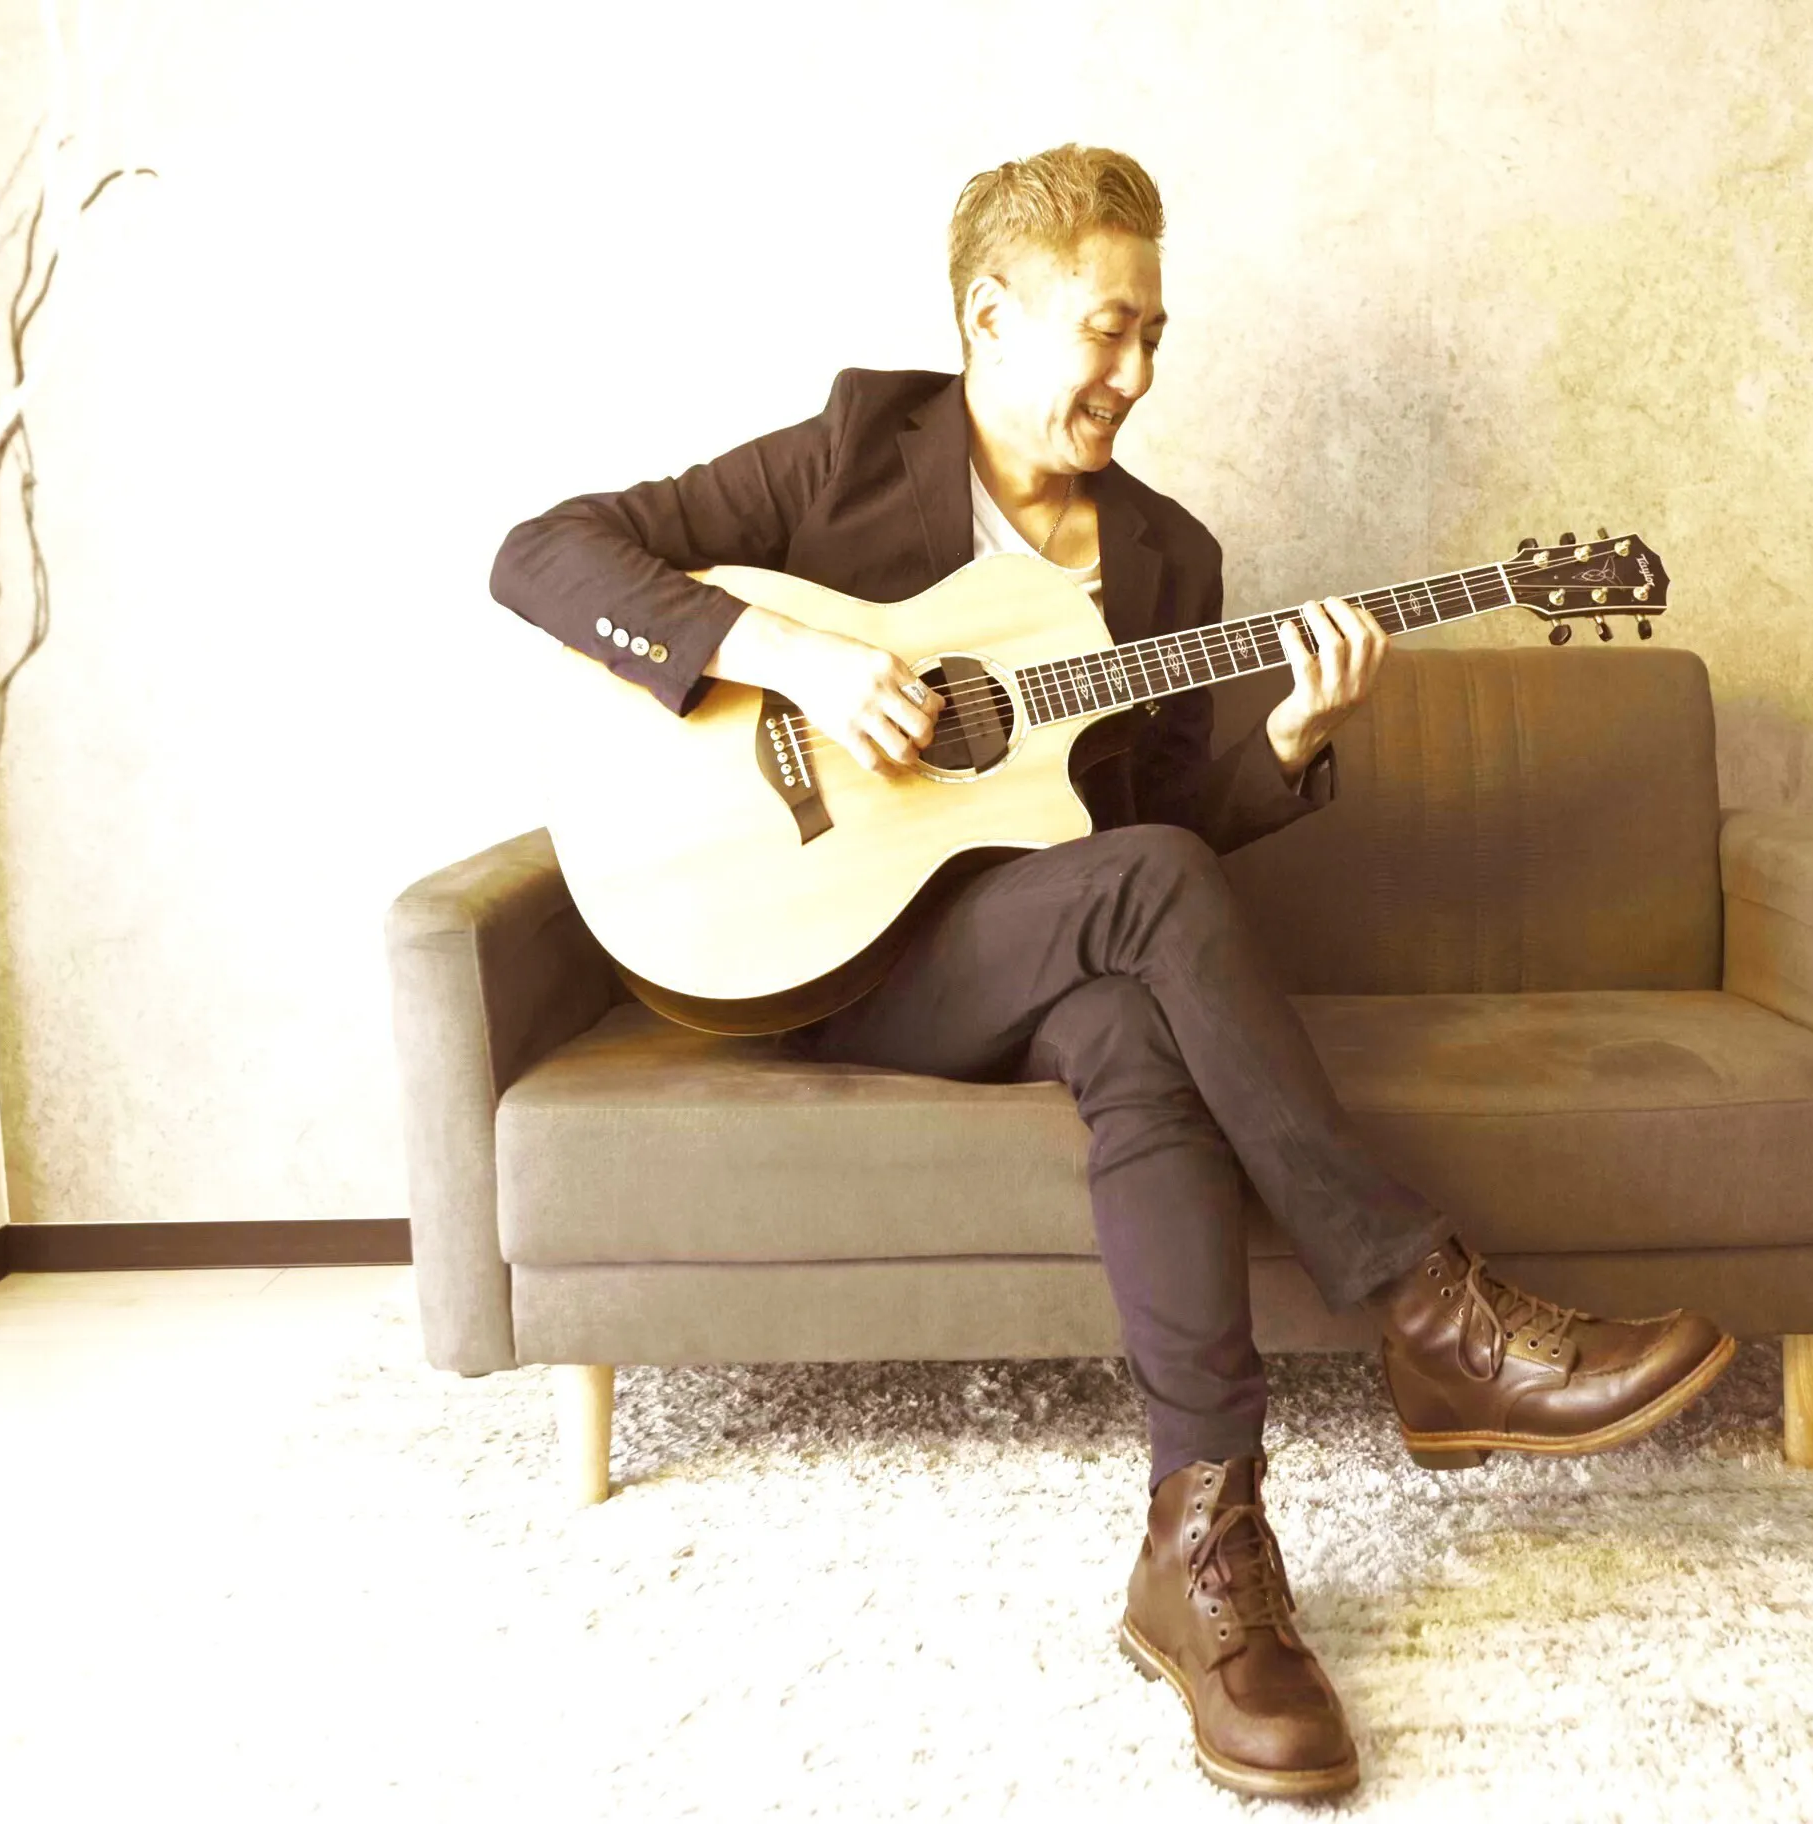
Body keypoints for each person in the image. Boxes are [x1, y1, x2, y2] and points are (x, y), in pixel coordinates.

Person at [488, 141, 1737, 1804]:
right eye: (1107, 329)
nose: (1137, 372)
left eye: (1156, 334)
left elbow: (1147, 838)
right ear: (989, 320)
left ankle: (1203, 1546)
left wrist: (1285, 742)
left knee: (1135, 1023)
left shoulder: (1166, 562)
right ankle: (1429, 1311)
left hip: (1025, 951)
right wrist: (796, 654)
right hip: (822, 953)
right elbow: (542, 553)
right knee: (1144, 910)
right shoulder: (851, 451)